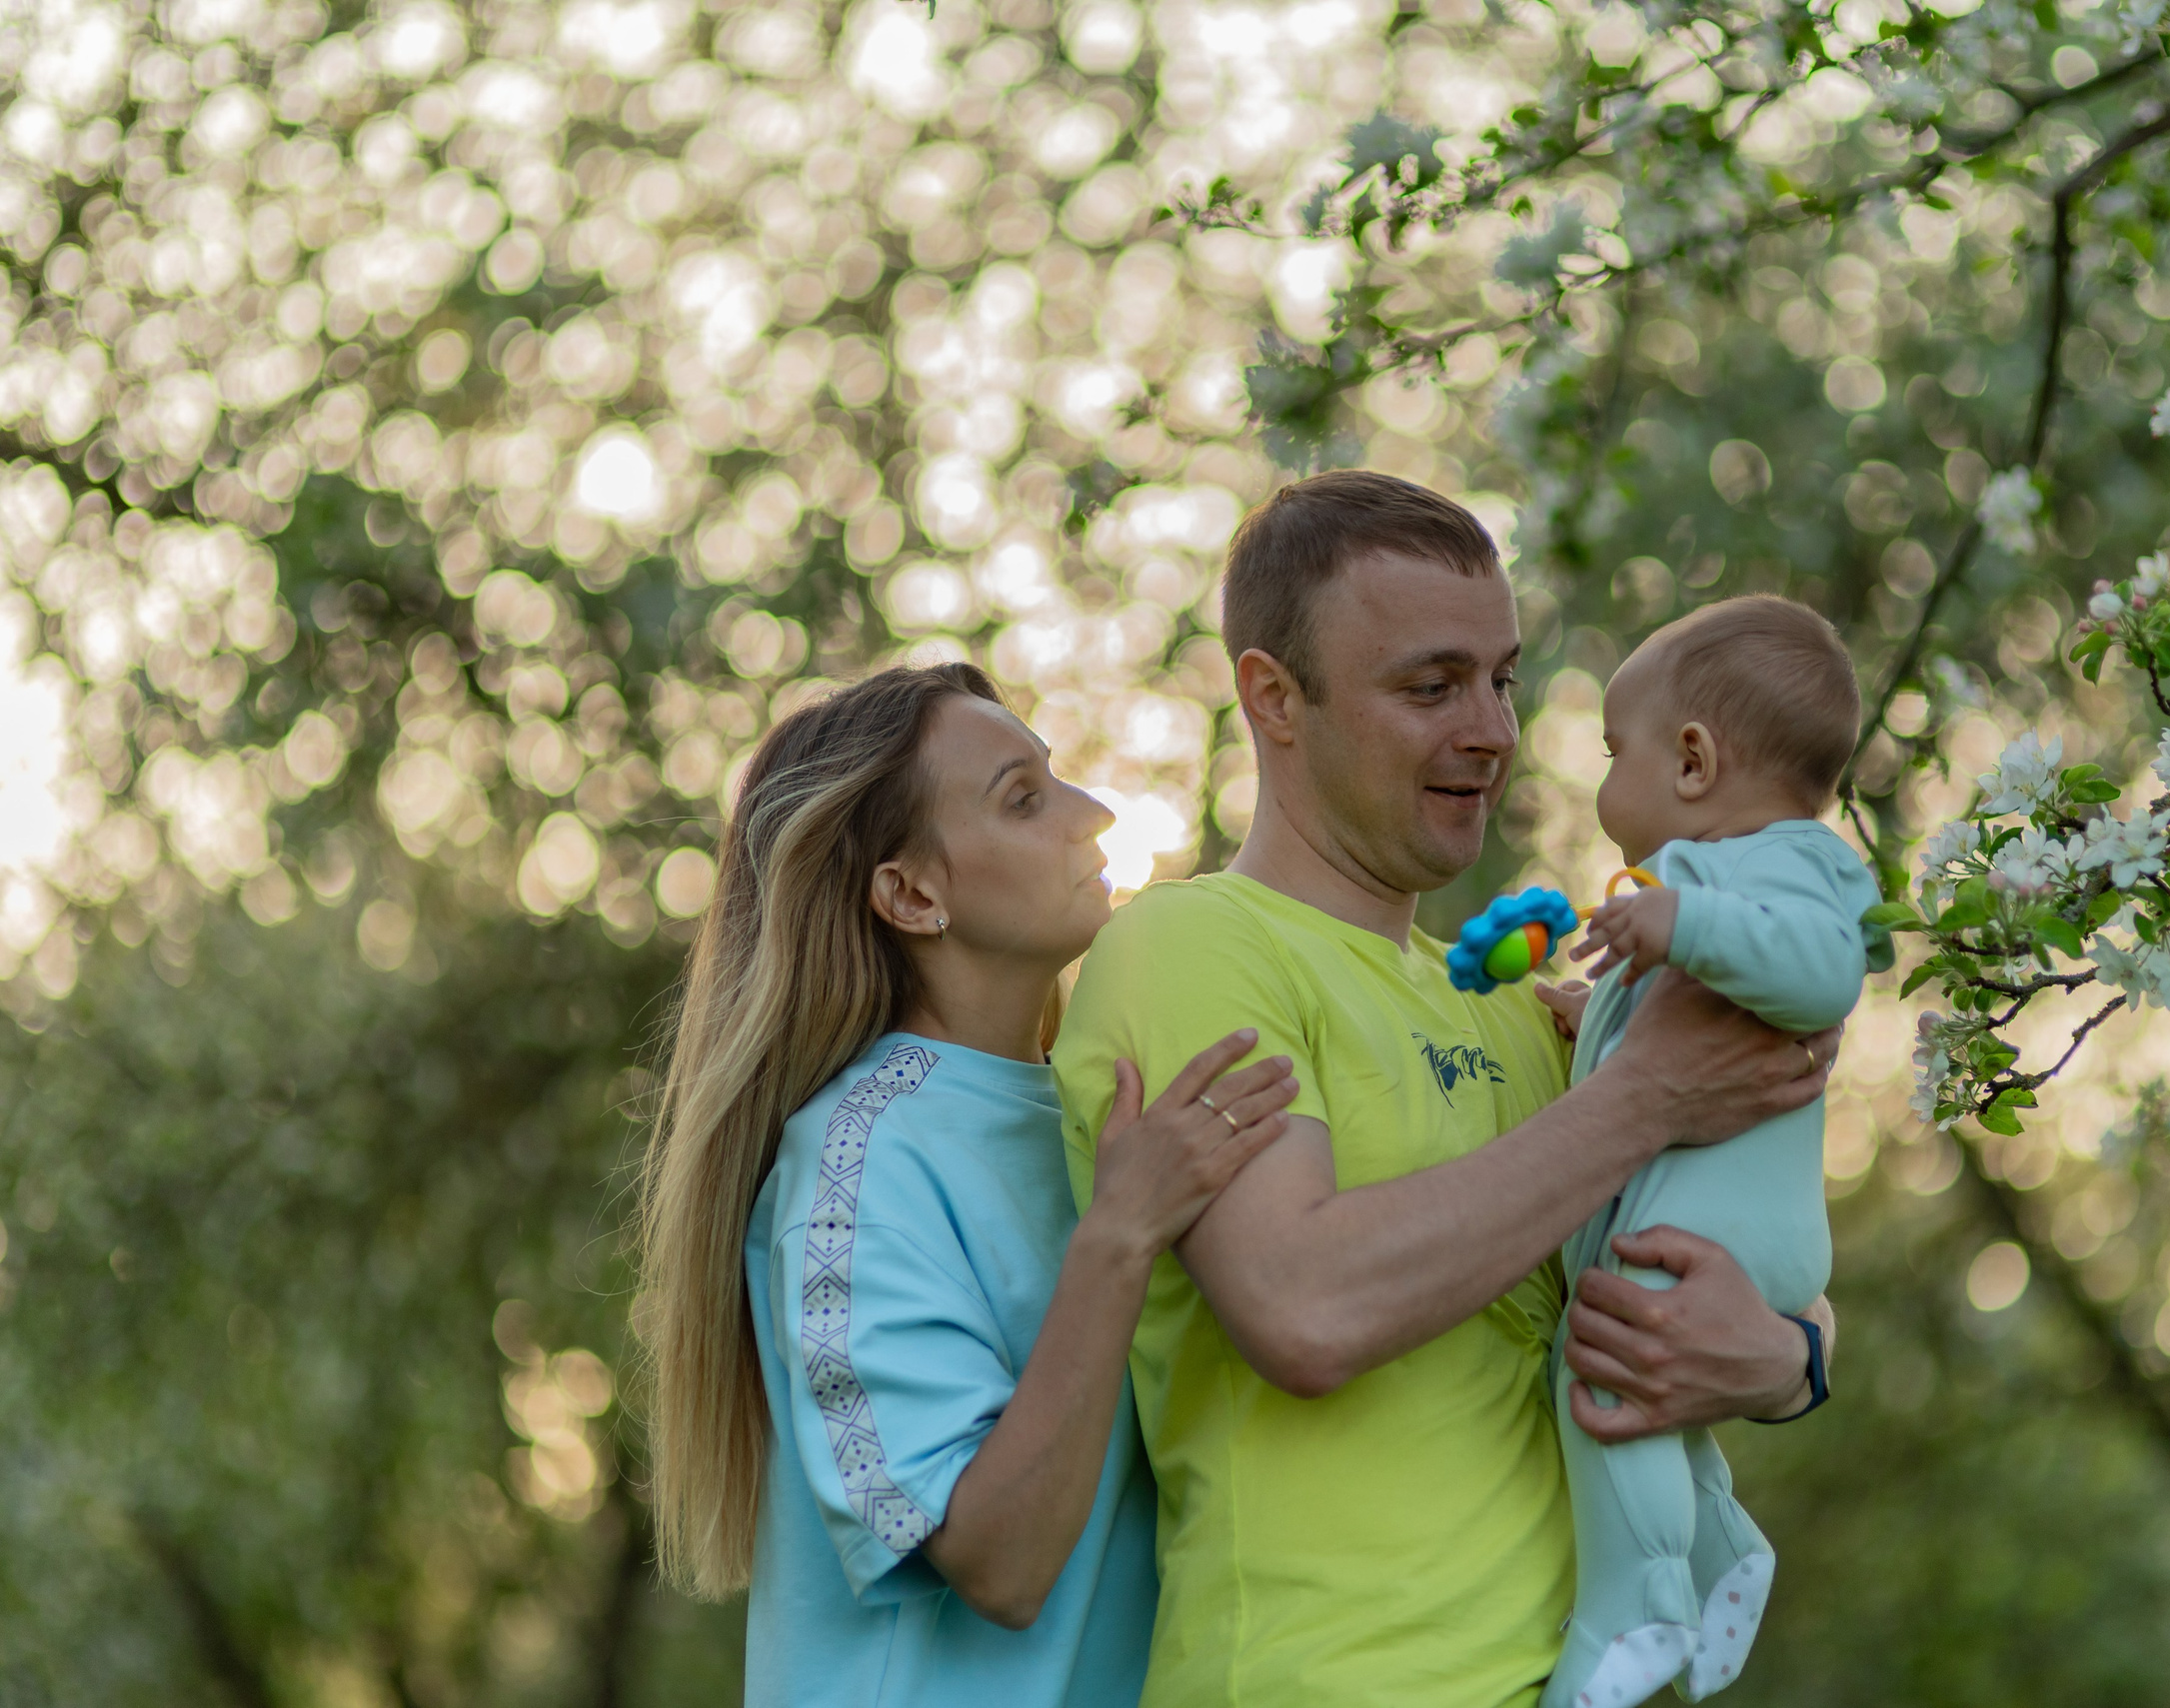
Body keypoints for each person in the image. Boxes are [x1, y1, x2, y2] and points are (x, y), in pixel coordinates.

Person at [1051, 471, 1846, 1708]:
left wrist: (1785, 1358)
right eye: (1430, 686)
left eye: (1503, 678)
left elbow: (1720, 1260)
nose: (1490, 729)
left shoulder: (1522, 1014)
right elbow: (1301, 1305)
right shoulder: (1189, 946)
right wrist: (1644, 1095)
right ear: (1274, 698)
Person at [635, 663, 1301, 1708]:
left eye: (1058, 778)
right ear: (911, 892)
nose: (1097, 812)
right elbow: (1000, 1561)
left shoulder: (1097, 1104)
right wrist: (1120, 1233)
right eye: (1022, 797)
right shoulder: (856, 1163)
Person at [1536, 596, 1890, 1708]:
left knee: (1607, 1380)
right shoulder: (1727, 881)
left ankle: (1630, 1608)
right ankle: (1721, 1549)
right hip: (1719, 1227)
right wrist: (1585, 1022)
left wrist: (1677, 922)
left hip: (1724, 1233)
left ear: (1692, 759)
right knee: (1656, 1404)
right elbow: (1664, 1060)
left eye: (1610, 751)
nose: (1604, 783)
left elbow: (1822, 968)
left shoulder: (1786, 865)